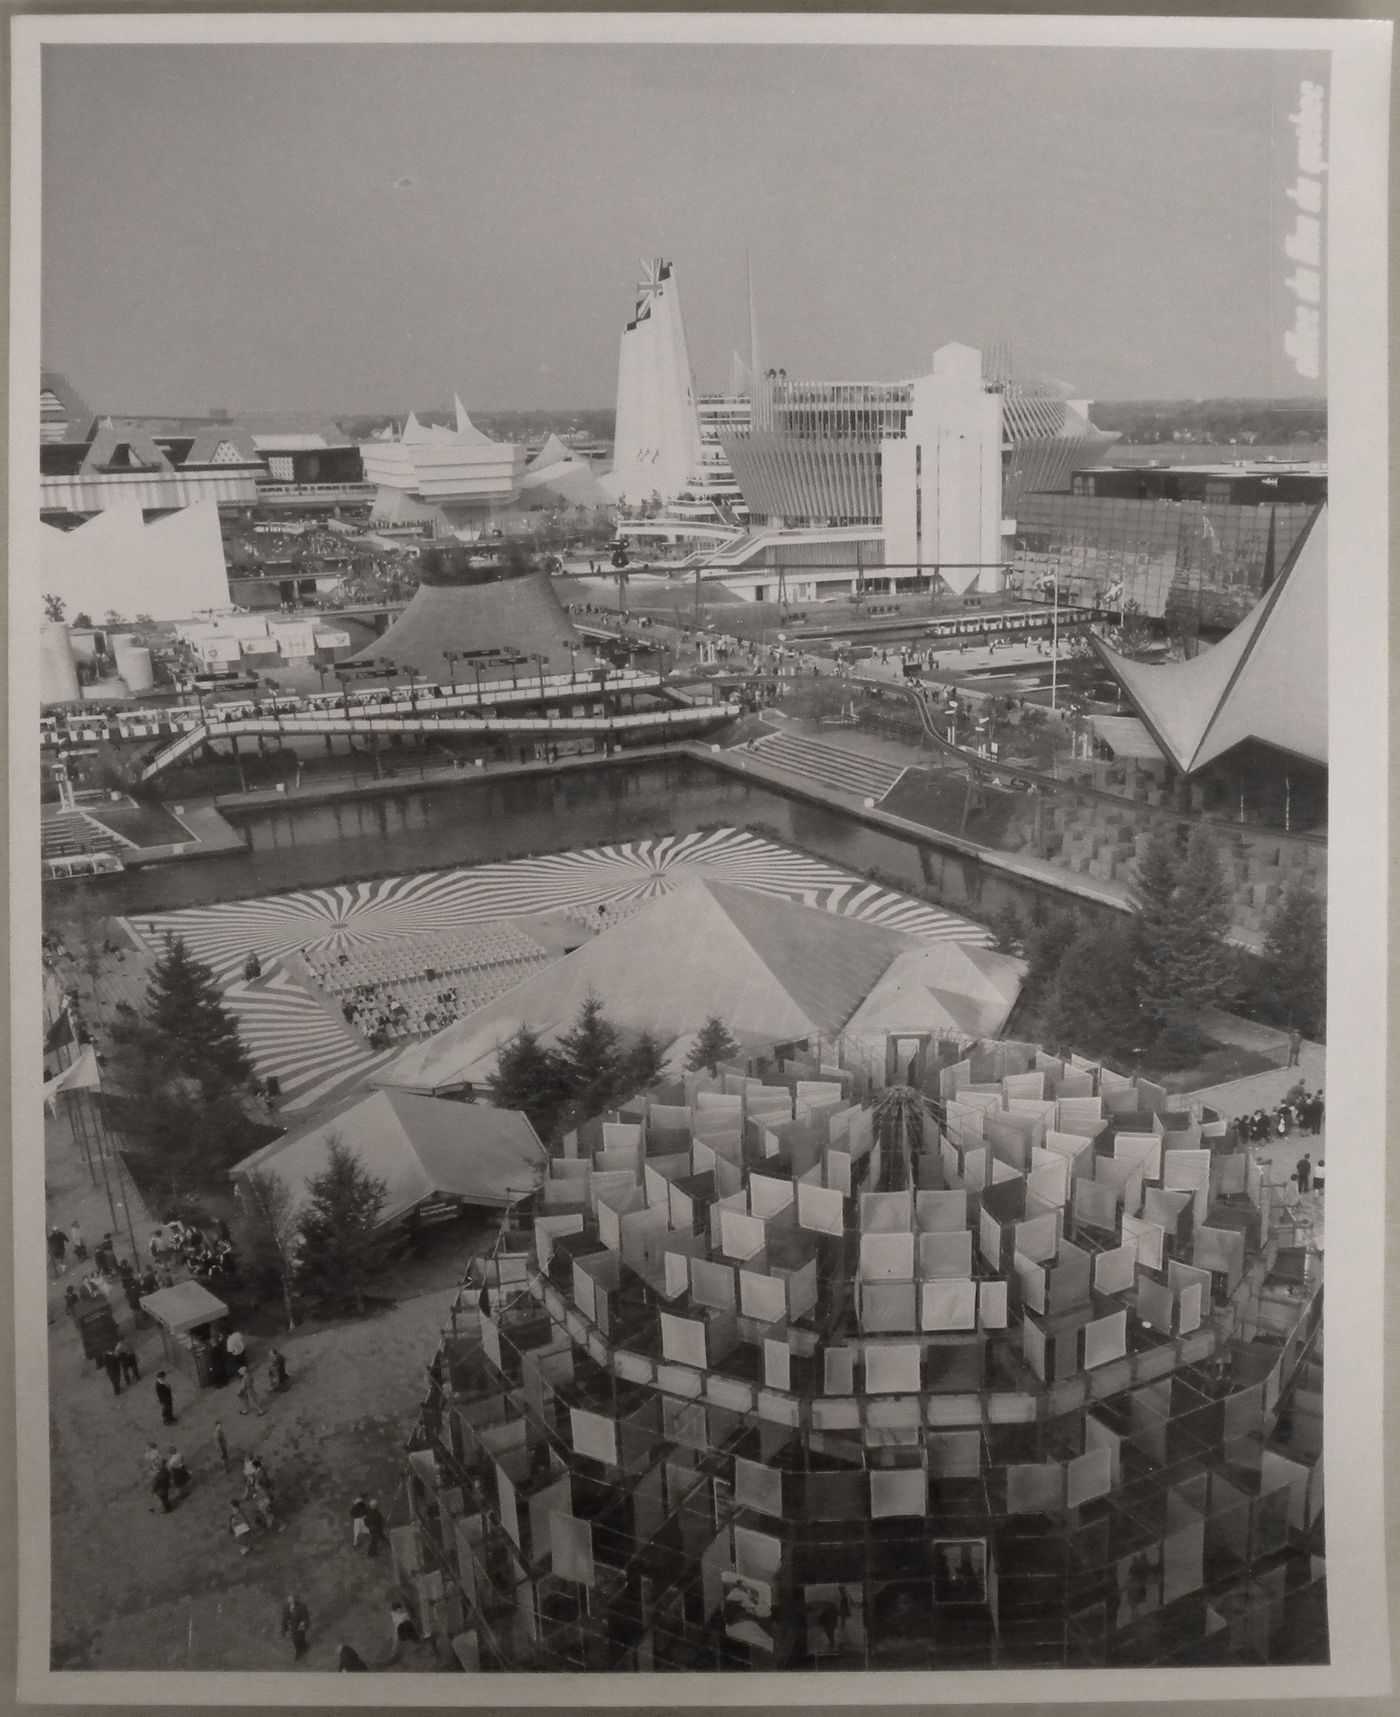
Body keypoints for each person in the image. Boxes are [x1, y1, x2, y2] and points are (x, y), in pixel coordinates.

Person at [281, 1594, 311, 1661]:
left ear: (295, 1599)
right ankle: (304, 1646)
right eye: (290, 1599)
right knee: (296, 1641)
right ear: (287, 1600)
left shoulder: (301, 1607)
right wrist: (284, 1630)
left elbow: (305, 1618)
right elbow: (284, 1620)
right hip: (292, 1627)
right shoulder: (286, 1608)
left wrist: (302, 1625)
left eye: (292, 1599)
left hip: (300, 1627)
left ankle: (298, 1655)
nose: (291, 1600)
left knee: (297, 1640)